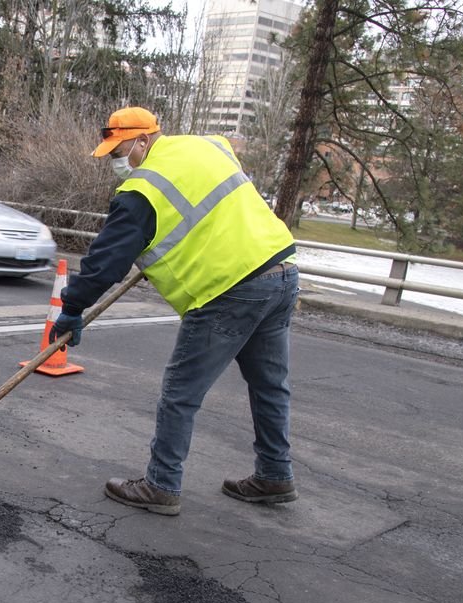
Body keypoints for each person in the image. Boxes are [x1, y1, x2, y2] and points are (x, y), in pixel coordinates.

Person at [51, 107, 300, 517]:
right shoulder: (210, 145)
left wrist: (73, 307)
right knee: (270, 386)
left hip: (228, 289)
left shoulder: (141, 191)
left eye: (121, 149)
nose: (117, 160)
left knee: (180, 394)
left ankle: (161, 484)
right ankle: (275, 474)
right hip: (281, 273)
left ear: (144, 140)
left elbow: (104, 265)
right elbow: (212, 212)